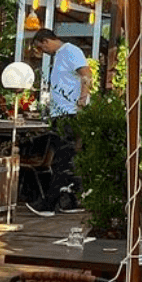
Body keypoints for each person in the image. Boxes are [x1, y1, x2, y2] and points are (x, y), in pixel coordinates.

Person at [25, 28, 91, 216]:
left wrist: (82, 98)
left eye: (41, 48)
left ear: (46, 41)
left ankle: (49, 203)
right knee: (67, 157)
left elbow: (86, 73)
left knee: (61, 158)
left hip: (69, 113)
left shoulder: (70, 51)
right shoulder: (61, 56)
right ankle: (70, 201)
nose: (43, 52)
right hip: (61, 113)